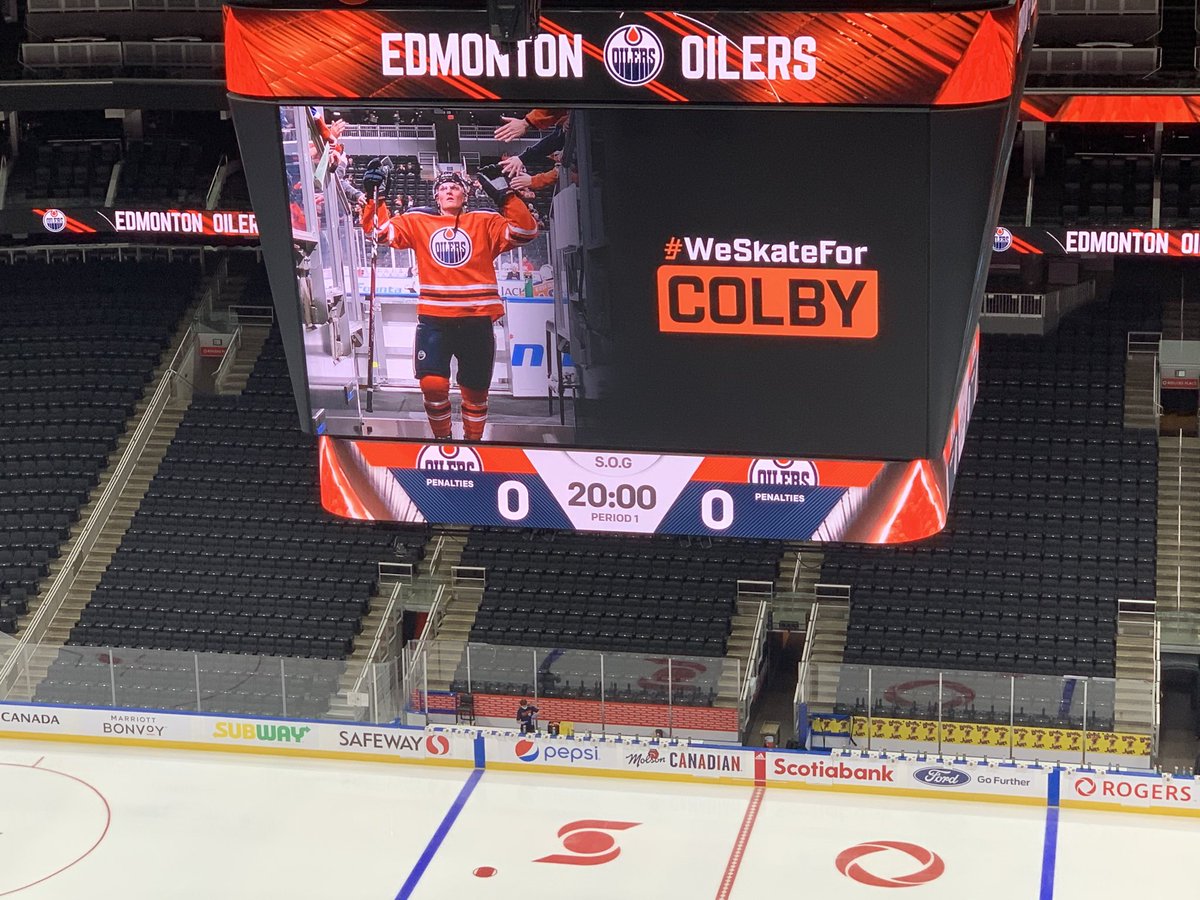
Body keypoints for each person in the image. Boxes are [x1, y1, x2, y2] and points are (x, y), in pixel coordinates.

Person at [360, 164, 538, 440]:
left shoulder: (485, 221)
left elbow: (525, 232)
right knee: (432, 385)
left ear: (465, 195)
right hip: (435, 320)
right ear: (436, 197)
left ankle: (474, 442)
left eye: (455, 187)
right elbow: (379, 233)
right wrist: (376, 198)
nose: (449, 191)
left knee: (476, 391)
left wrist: (506, 197)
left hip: (476, 319)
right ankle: (442, 438)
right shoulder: (417, 221)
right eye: (443, 189)